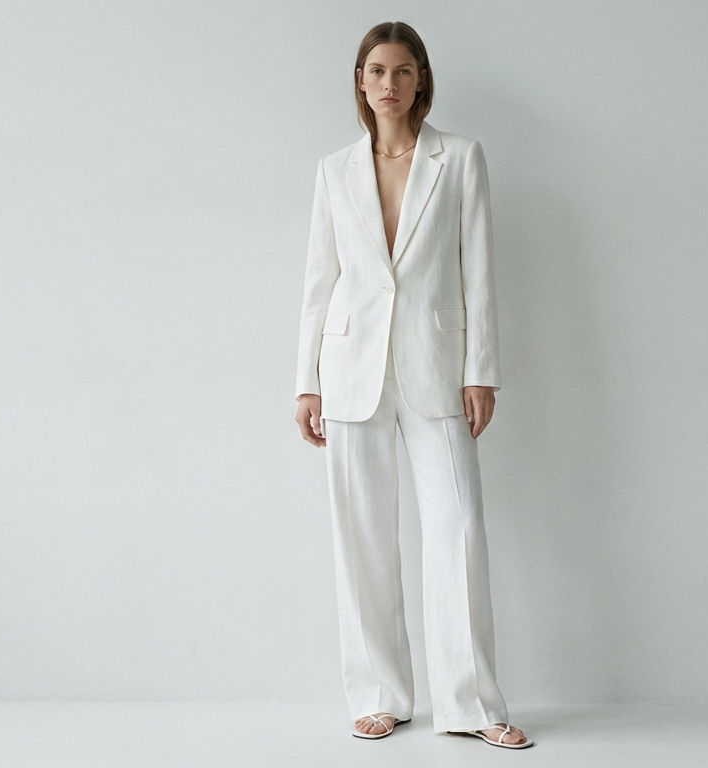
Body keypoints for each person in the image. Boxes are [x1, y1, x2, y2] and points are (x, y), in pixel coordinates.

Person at [292, 21, 531, 750]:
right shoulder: (334, 170)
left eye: (402, 70)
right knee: (362, 537)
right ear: (360, 82)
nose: (388, 83)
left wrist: (481, 370)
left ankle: (473, 704)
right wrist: (307, 383)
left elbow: (477, 269)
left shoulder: (459, 158)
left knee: (458, 529)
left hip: (436, 365)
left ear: (421, 78)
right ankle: (379, 695)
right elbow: (320, 282)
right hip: (350, 369)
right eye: (376, 71)